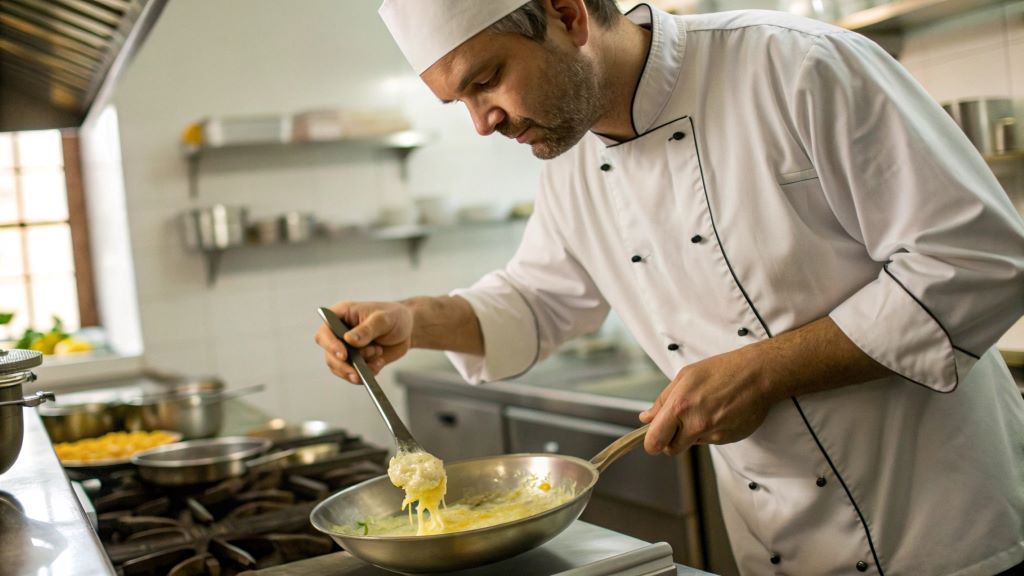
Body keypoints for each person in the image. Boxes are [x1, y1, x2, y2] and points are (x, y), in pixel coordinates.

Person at [314, 0, 1024, 573]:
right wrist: (412, 319)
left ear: (567, 15)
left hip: (947, 530)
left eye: (486, 79)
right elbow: (535, 300)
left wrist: (763, 373)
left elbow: (978, 262)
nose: (481, 122)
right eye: (459, 102)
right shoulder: (571, 162)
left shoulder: (793, 65)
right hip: (782, 545)